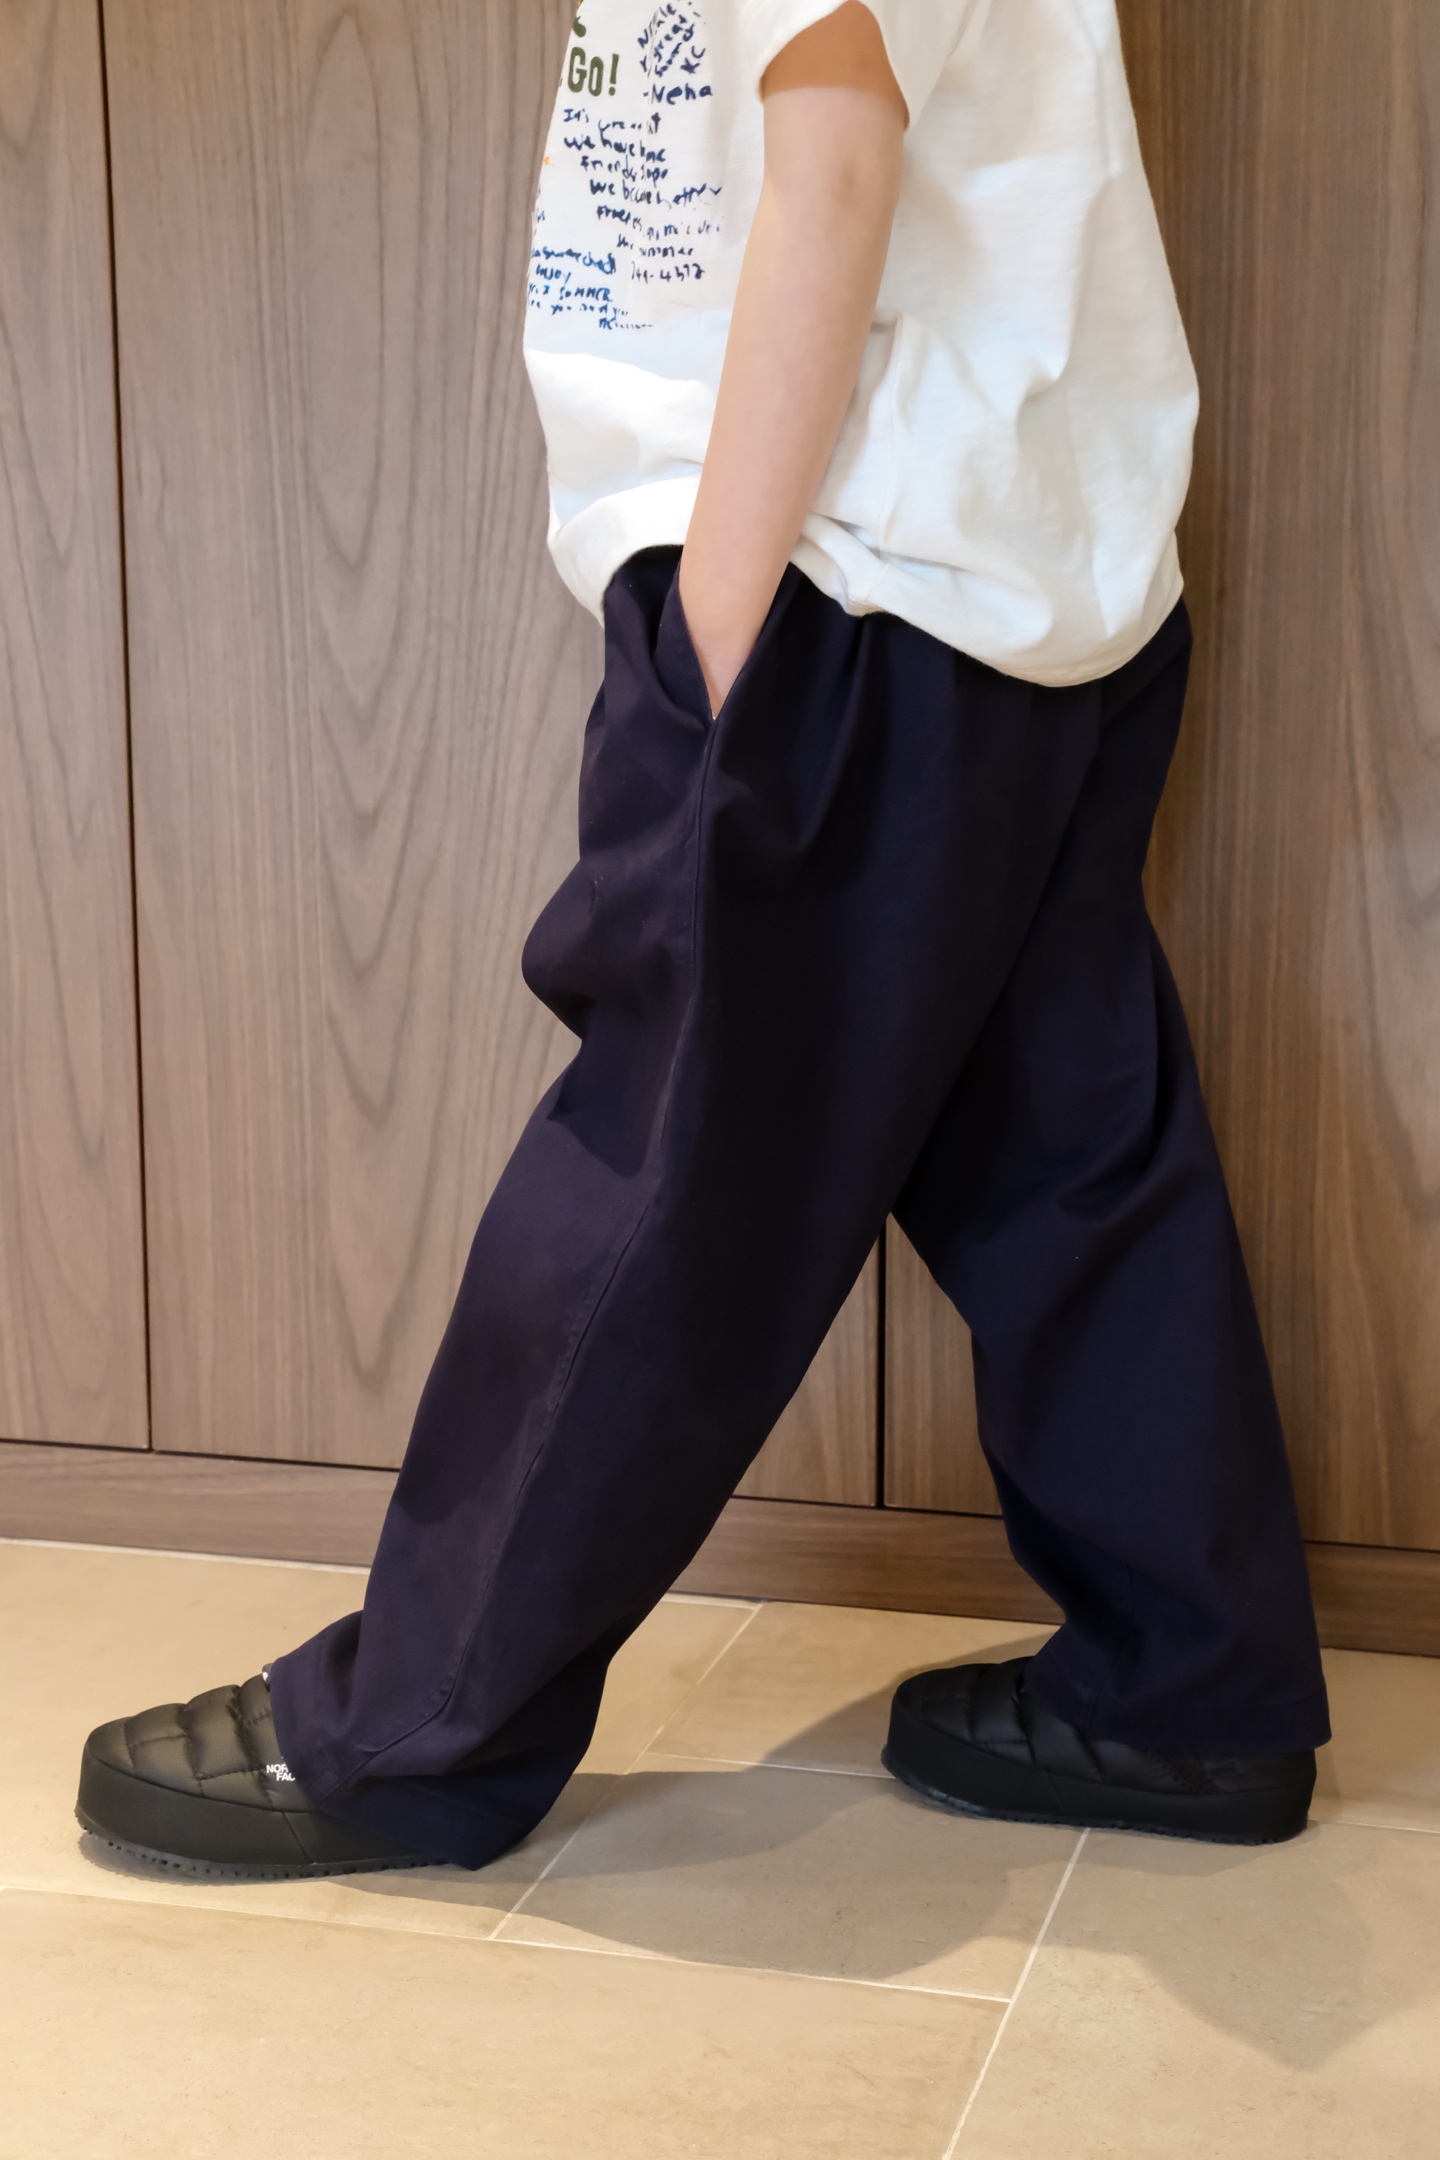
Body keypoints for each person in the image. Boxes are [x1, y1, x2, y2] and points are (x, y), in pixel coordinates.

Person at [76, 0, 1329, 1880]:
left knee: (662, 1170)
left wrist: (719, 634)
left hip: (847, 580)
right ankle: (1186, 1692)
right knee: (1065, 1150)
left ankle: (409, 1727)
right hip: (1015, 575)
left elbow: (833, 168)